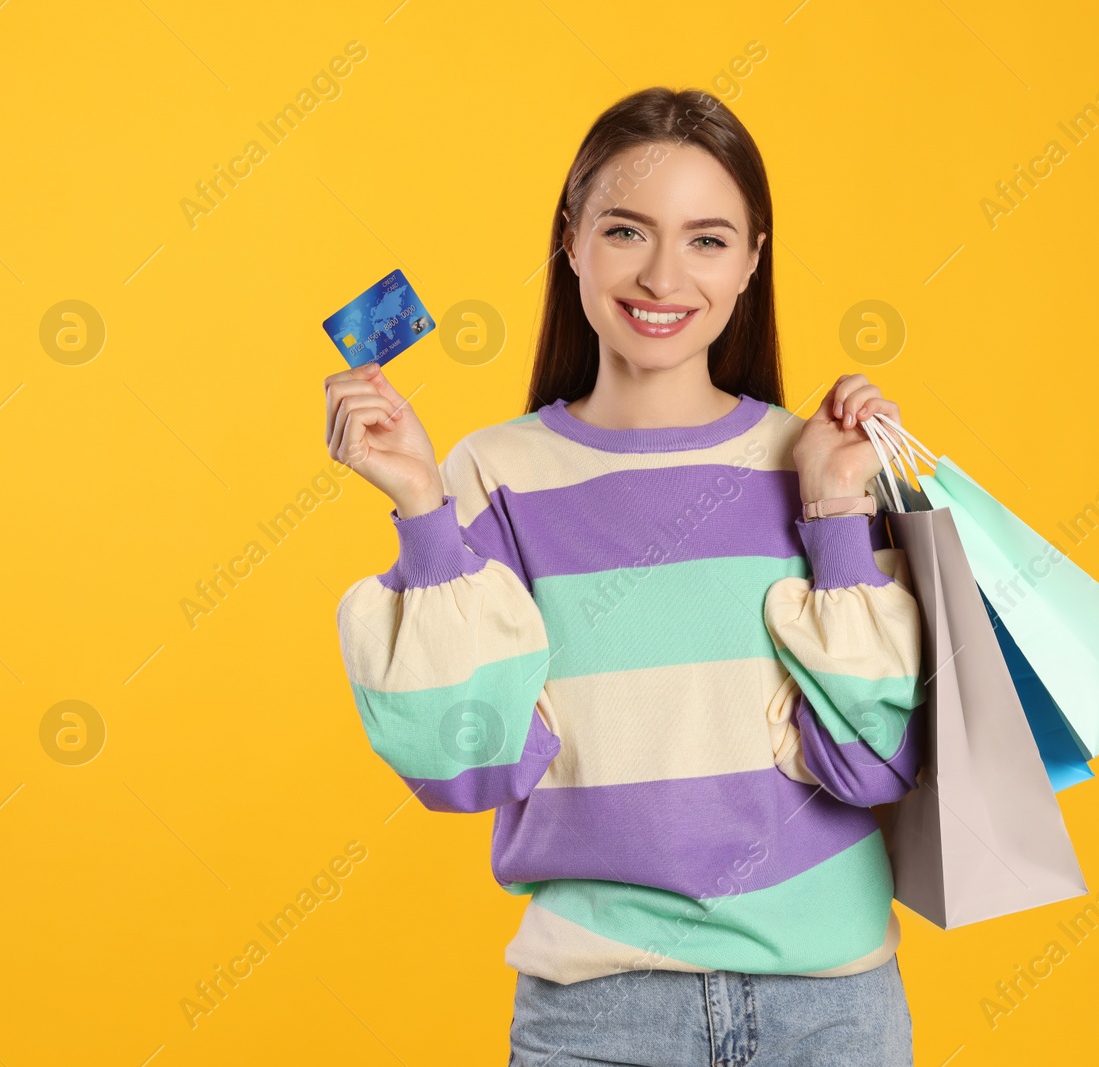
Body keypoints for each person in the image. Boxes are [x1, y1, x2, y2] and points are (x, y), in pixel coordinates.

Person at [323, 86, 923, 1066]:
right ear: (571, 241)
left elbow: (873, 760)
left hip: (832, 1013)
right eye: (625, 229)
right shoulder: (488, 475)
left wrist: (836, 517)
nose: (661, 274)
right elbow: (463, 763)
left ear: (753, 259)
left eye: (706, 239)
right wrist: (423, 510)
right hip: (596, 1016)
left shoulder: (815, 459)